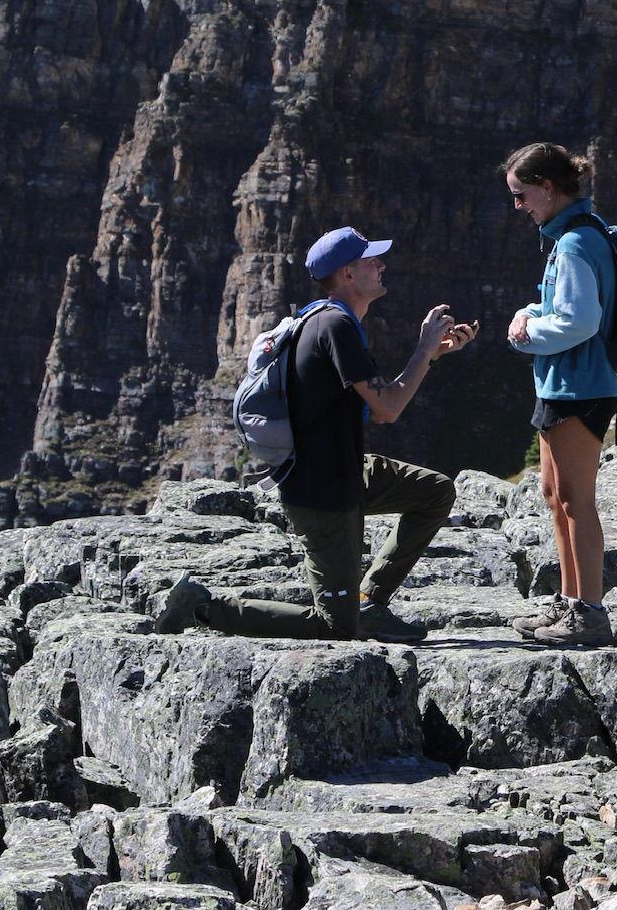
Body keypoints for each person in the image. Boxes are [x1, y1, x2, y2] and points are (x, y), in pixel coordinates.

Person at [155, 225, 477, 643]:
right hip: (321, 494)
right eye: (371, 260)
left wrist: (431, 355)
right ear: (347, 273)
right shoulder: (335, 326)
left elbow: (380, 406)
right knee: (336, 627)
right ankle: (202, 608)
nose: (381, 265)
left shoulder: (326, 320)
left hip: (343, 471)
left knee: (434, 492)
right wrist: (423, 348)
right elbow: (389, 408)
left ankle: (368, 601)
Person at [504, 142, 617, 647]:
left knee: (576, 501)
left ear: (548, 188)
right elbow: (561, 305)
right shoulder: (575, 236)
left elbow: (579, 321)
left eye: (521, 194)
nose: (519, 206)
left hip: (580, 387)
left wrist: (524, 335)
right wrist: (530, 312)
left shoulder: (573, 244)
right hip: (562, 385)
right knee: (555, 495)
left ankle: (589, 613)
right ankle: (569, 603)